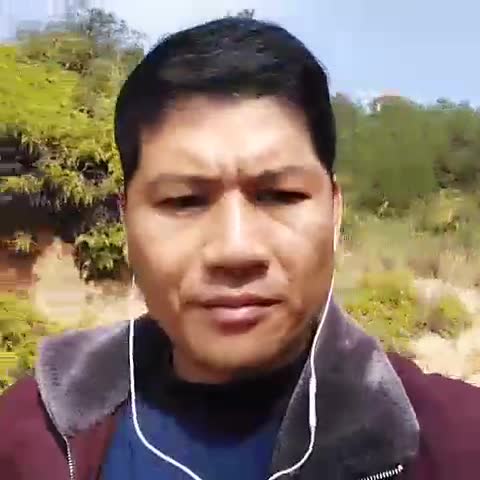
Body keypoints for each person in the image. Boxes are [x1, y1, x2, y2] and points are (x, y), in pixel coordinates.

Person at [1, 17, 479, 480]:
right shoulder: (25, 438)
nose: (235, 249)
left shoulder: (457, 445)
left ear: (334, 213)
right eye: (183, 201)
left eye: (280, 195)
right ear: (126, 222)